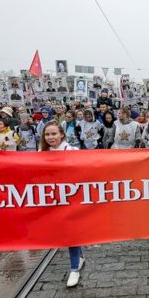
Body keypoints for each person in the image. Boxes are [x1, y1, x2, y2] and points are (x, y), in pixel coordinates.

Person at [38, 121, 84, 286]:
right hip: (52, 199)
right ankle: (79, 257)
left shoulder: (73, 151)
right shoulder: (40, 154)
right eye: (47, 134)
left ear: (62, 134)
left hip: (71, 198)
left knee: (71, 232)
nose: (50, 137)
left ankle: (74, 269)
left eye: (54, 134)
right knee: (63, 231)